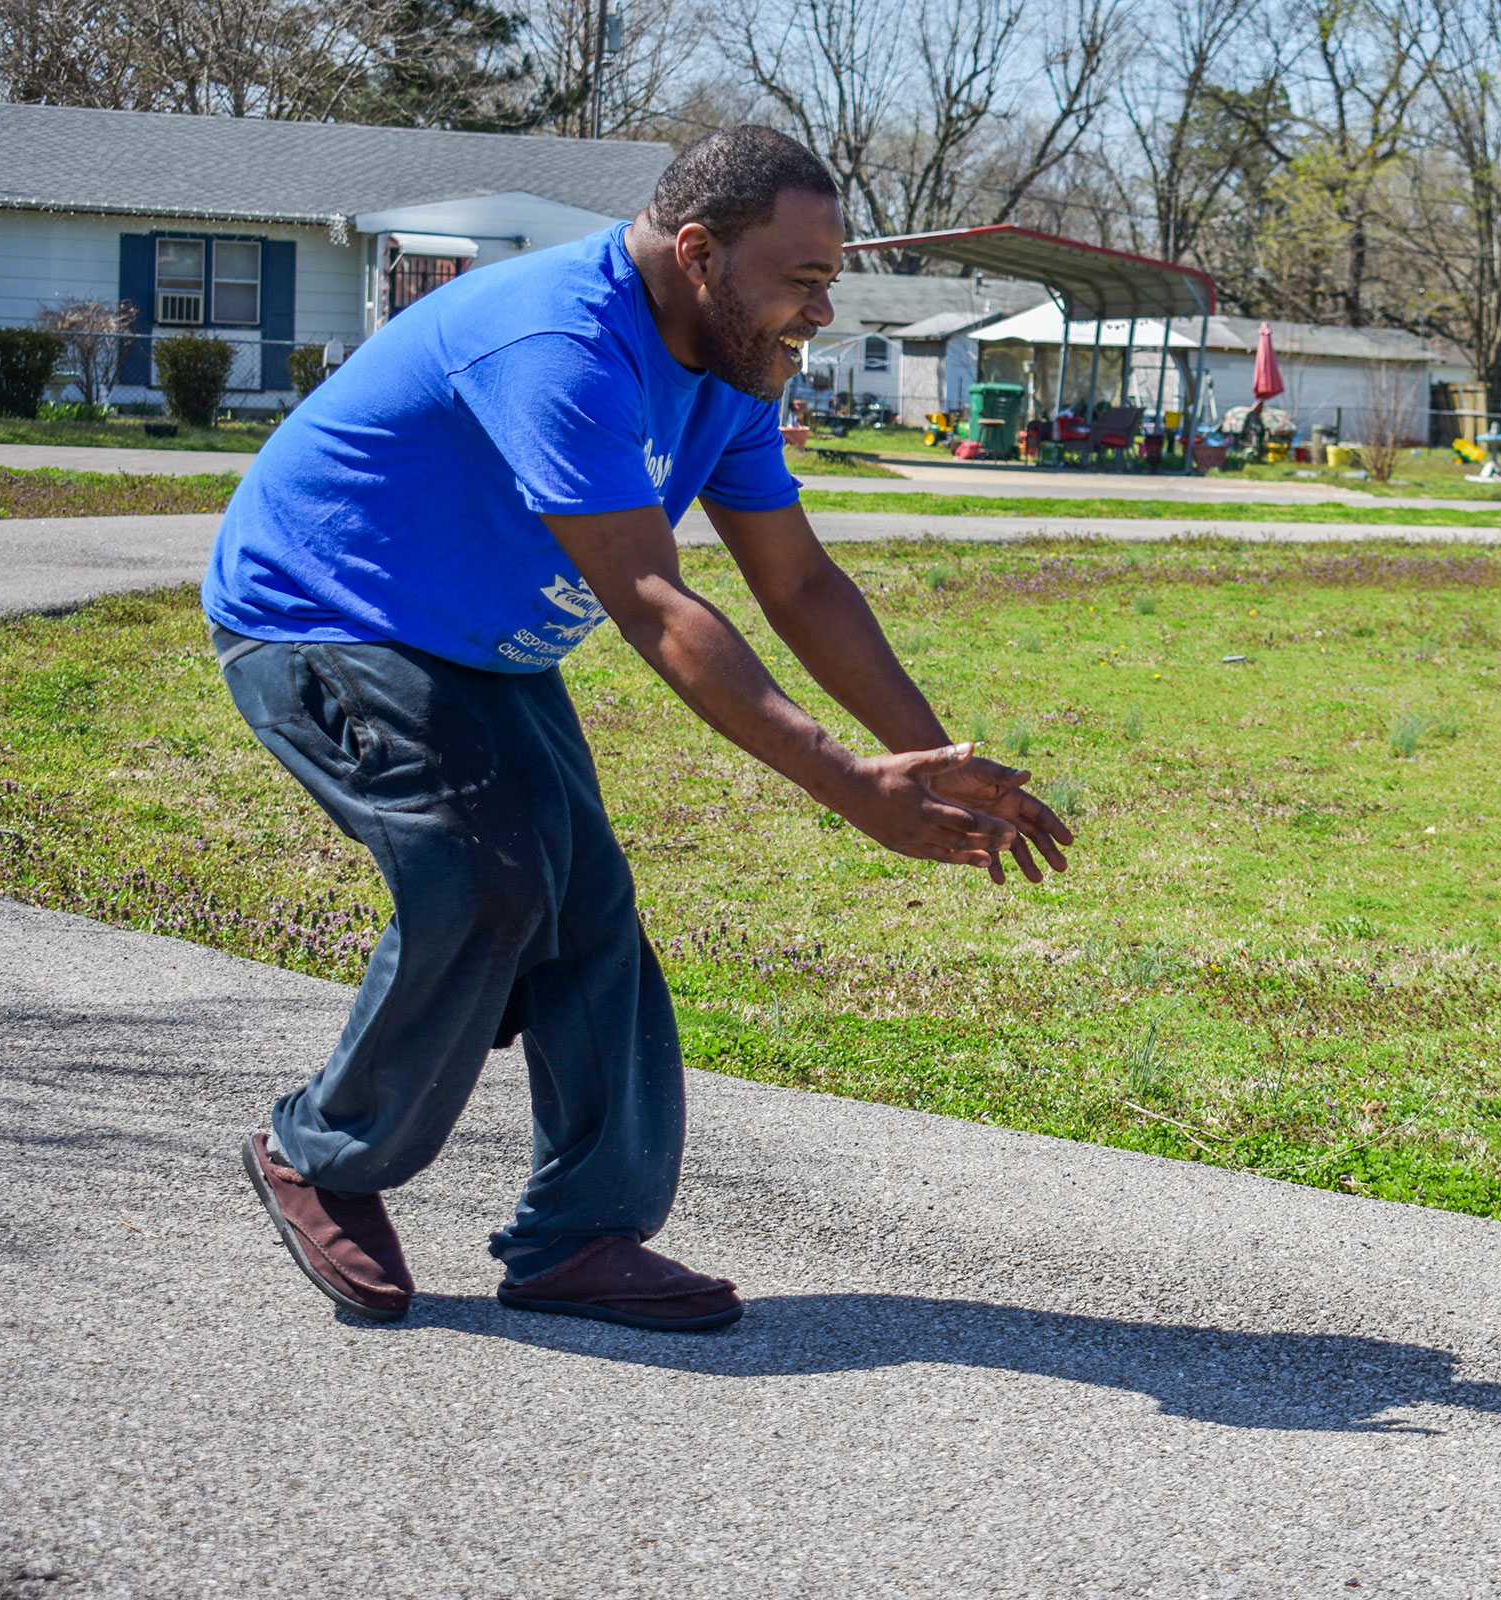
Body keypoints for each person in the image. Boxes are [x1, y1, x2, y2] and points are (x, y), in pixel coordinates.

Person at [204, 126, 1072, 1334]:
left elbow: (800, 583)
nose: (819, 310)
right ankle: (319, 1151)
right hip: (327, 619)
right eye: (805, 279)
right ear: (701, 251)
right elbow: (658, 603)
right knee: (489, 881)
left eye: (829, 280)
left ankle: (578, 1236)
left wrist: (935, 764)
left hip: (484, 648)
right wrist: (845, 782)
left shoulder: (734, 362)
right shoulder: (561, 340)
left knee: (588, 908)